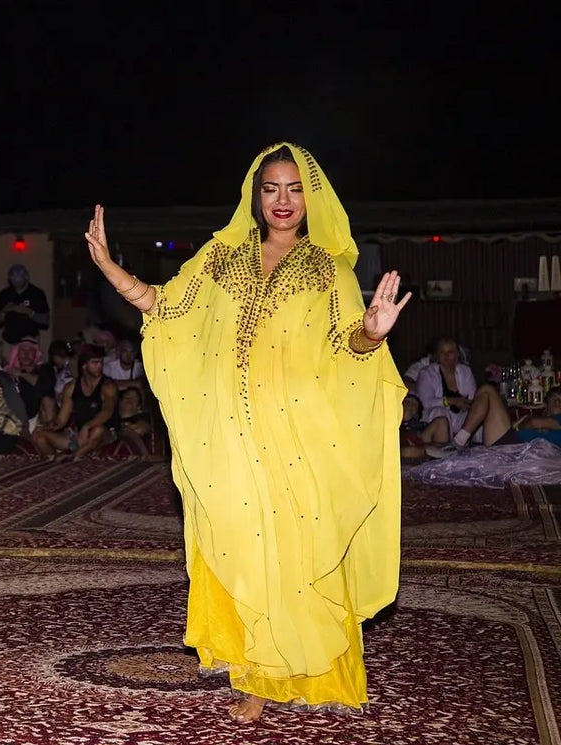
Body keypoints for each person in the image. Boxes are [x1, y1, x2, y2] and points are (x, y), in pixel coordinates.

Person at [83, 142, 410, 722]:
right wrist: (111, 268)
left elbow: (346, 350)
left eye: (293, 189)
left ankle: (300, 669)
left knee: (293, 548)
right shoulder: (221, 256)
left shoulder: (329, 270)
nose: (282, 201)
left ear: (311, 198)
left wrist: (373, 333)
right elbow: (166, 309)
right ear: (255, 197)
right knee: (241, 541)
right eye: (270, 189)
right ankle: (252, 673)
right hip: (230, 432)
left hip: (297, 433)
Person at [414, 337, 477, 446]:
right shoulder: (426, 373)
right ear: (437, 356)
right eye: (442, 352)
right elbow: (424, 402)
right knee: (439, 412)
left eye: (450, 352)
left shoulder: (465, 371)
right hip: (435, 417)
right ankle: (446, 449)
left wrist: (466, 404)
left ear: (457, 355)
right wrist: (450, 401)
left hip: (460, 416)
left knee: (476, 414)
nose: (446, 356)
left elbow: (472, 397)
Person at [0, 264, 50, 361]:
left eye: (20, 276)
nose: (16, 279)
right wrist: (4, 311)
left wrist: (29, 312)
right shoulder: (5, 294)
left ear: (27, 277)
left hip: (30, 341)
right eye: (13, 277)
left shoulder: (36, 293)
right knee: (8, 371)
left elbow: (45, 321)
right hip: (9, 340)